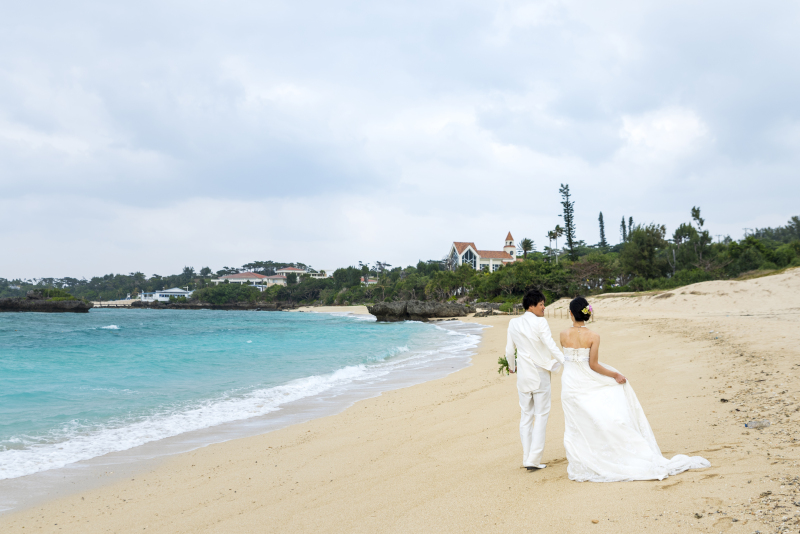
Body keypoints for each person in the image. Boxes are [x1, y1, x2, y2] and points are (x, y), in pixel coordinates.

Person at [559, 296, 710, 482]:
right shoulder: (593, 336)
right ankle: (602, 452)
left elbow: (571, 361)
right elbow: (593, 365)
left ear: (571, 313)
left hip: (569, 382)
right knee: (599, 414)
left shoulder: (563, 334)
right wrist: (615, 375)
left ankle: (581, 457)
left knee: (577, 420)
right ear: (586, 313)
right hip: (585, 380)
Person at [505, 289, 565, 471]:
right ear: (531, 306)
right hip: (539, 375)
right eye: (541, 304)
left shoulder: (513, 322)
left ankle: (526, 457)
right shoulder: (541, 322)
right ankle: (534, 458)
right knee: (541, 415)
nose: (544, 307)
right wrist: (565, 361)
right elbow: (550, 344)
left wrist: (512, 366)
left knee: (525, 416)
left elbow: (509, 350)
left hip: (523, 376)